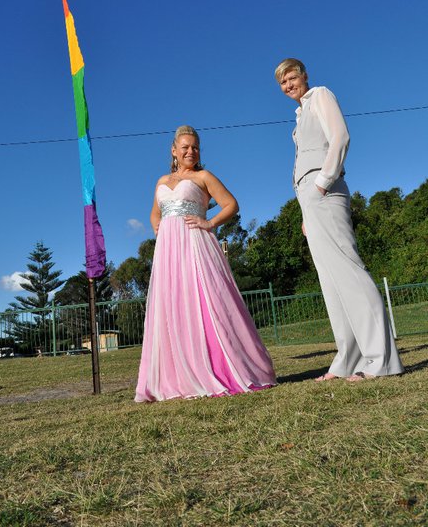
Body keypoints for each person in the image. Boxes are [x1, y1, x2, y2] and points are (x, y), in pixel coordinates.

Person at [275, 58, 404, 382]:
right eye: (283, 82)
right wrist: (306, 210)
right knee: (331, 283)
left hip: (325, 188)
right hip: (310, 200)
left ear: (304, 76)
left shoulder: (320, 95)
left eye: (292, 77)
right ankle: (348, 359)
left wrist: (322, 184)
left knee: (349, 271)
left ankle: (381, 360)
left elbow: (340, 137)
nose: (289, 85)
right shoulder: (299, 116)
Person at [135, 125, 277, 402]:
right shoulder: (161, 181)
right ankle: (177, 377)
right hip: (168, 252)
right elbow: (154, 214)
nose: (191, 151)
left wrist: (209, 222)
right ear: (174, 151)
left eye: (195, 147)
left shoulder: (203, 176)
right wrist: (160, 230)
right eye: (185, 147)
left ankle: (223, 367)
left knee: (207, 301)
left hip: (196, 244)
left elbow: (231, 204)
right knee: (174, 305)